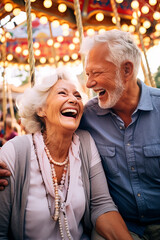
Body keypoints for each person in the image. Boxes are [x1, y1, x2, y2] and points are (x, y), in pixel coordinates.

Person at [0, 67, 132, 240]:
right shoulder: (15, 152)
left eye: (77, 96)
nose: (73, 100)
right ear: (41, 110)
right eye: (62, 93)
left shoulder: (85, 144)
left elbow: (102, 204)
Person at [78, 29, 160, 240]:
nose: (89, 83)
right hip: (121, 224)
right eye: (88, 74)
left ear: (126, 70)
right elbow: (48, 137)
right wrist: (11, 160)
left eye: (96, 73)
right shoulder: (87, 116)